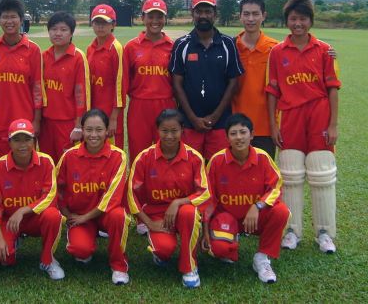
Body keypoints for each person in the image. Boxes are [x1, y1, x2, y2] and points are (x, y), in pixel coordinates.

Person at [266, 0, 341, 254]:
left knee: (322, 175)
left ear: (310, 21)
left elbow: (332, 88)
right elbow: (272, 92)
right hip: (290, 117)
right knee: (290, 175)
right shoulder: (277, 52)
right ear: (287, 20)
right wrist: (273, 126)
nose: (298, 23)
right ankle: (292, 230)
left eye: (302, 19)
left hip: (319, 114)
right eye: (293, 19)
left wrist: (333, 124)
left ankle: (325, 233)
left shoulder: (324, 50)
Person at [202, 113, 289, 284]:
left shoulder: (263, 158)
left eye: (243, 132)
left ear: (252, 135)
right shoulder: (217, 161)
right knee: (221, 250)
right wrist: (205, 233)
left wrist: (257, 206)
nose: (239, 137)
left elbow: (276, 186)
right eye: (233, 133)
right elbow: (208, 199)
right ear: (227, 137)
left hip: (254, 218)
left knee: (281, 212)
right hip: (227, 217)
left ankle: (262, 257)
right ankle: (230, 243)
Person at [127, 109, 209, 288]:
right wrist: (149, 222)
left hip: (181, 211)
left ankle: (189, 267)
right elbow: (131, 195)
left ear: (182, 131)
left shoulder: (194, 157)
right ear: (157, 131)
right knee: (164, 250)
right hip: (157, 215)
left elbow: (204, 192)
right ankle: (160, 253)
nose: (170, 136)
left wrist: (178, 202)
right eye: (165, 131)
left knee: (190, 212)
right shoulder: (144, 158)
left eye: (174, 131)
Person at [56, 109, 130, 285]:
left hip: (104, 214)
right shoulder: (69, 156)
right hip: (80, 215)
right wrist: (67, 213)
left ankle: (118, 266)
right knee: (80, 252)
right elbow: (56, 188)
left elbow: (112, 198)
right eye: (89, 130)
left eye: (99, 130)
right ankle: (85, 241)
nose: (94, 135)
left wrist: (84, 218)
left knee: (118, 215)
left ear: (107, 131)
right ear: (82, 130)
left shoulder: (118, 156)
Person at [0, 119, 65, 281]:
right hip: (9, 221)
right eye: (17, 140)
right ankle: (11, 242)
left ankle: (48, 259)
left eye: (27, 139)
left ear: (34, 141)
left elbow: (49, 196)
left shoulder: (46, 162)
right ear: (9, 142)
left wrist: (22, 210)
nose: (22, 145)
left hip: (35, 218)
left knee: (53, 215)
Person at [169, 0, 244, 160]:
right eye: (199, 11)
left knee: (218, 171)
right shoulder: (182, 45)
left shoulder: (228, 44)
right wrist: (192, 118)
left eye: (208, 12)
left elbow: (233, 83)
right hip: (189, 123)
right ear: (192, 13)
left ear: (215, 14)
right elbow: (177, 84)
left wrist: (215, 116)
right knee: (189, 171)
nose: (203, 16)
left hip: (220, 123)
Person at [0, 0, 45, 162]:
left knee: (26, 168)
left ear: (21, 19)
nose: (9, 21)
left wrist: (37, 121)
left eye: (13, 17)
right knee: (0, 166)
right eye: (5, 17)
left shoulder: (33, 50)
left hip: (24, 121)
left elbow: (37, 88)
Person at [124, 0, 176, 164]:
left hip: (166, 104)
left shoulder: (173, 46)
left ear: (165, 19)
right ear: (142, 18)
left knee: (168, 152)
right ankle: (137, 189)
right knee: (139, 155)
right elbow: (125, 80)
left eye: (159, 17)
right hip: (139, 106)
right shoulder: (131, 47)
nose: (155, 21)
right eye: (150, 16)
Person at [232, 0, 279, 158]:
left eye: (255, 14)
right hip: (235, 126)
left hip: (265, 126)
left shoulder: (275, 48)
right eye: (246, 14)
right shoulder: (231, 46)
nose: (250, 19)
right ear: (240, 16)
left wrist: (326, 51)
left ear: (263, 15)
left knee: (264, 177)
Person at [40, 11, 90, 162]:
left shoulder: (78, 57)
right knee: (48, 162)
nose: (58, 33)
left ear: (71, 33)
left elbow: (81, 94)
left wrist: (78, 126)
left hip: (67, 123)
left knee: (68, 164)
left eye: (63, 30)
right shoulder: (43, 56)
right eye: (54, 29)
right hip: (46, 122)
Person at [87, 4, 127, 149]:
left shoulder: (115, 48)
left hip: (110, 113)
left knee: (112, 152)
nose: (100, 26)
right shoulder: (90, 48)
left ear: (113, 24)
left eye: (105, 22)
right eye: (97, 22)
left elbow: (120, 84)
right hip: (93, 111)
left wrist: (114, 118)